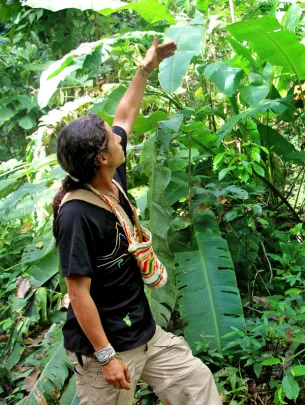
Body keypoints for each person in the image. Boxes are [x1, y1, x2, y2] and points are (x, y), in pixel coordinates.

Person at [51, 37, 222, 405]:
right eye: (108, 138)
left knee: (197, 383)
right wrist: (107, 357)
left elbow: (125, 114)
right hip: (107, 352)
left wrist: (146, 68)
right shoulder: (77, 215)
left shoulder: (111, 181)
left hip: (145, 334)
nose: (117, 138)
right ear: (100, 157)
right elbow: (78, 292)